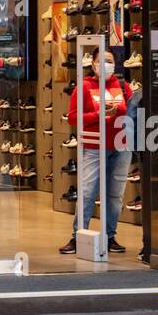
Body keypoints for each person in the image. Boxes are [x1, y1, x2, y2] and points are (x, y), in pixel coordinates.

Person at [60, 47, 134, 256]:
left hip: (121, 145)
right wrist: (99, 114)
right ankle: (78, 236)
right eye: (102, 60)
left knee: (115, 195)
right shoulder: (83, 87)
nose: (107, 64)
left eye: (110, 60)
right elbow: (73, 118)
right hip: (94, 146)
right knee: (87, 192)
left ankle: (110, 236)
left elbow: (132, 113)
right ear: (93, 63)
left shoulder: (123, 86)